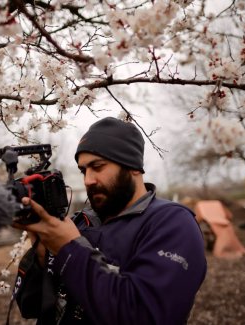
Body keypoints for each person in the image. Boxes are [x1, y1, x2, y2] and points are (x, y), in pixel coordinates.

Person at [13, 117, 207, 325]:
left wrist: (68, 249)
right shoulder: (79, 223)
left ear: (133, 166)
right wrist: (41, 259)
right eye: (84, 170)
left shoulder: (172, 223)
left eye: (98, 167)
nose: (88, 180)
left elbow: (146, 315)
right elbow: (30, 306)